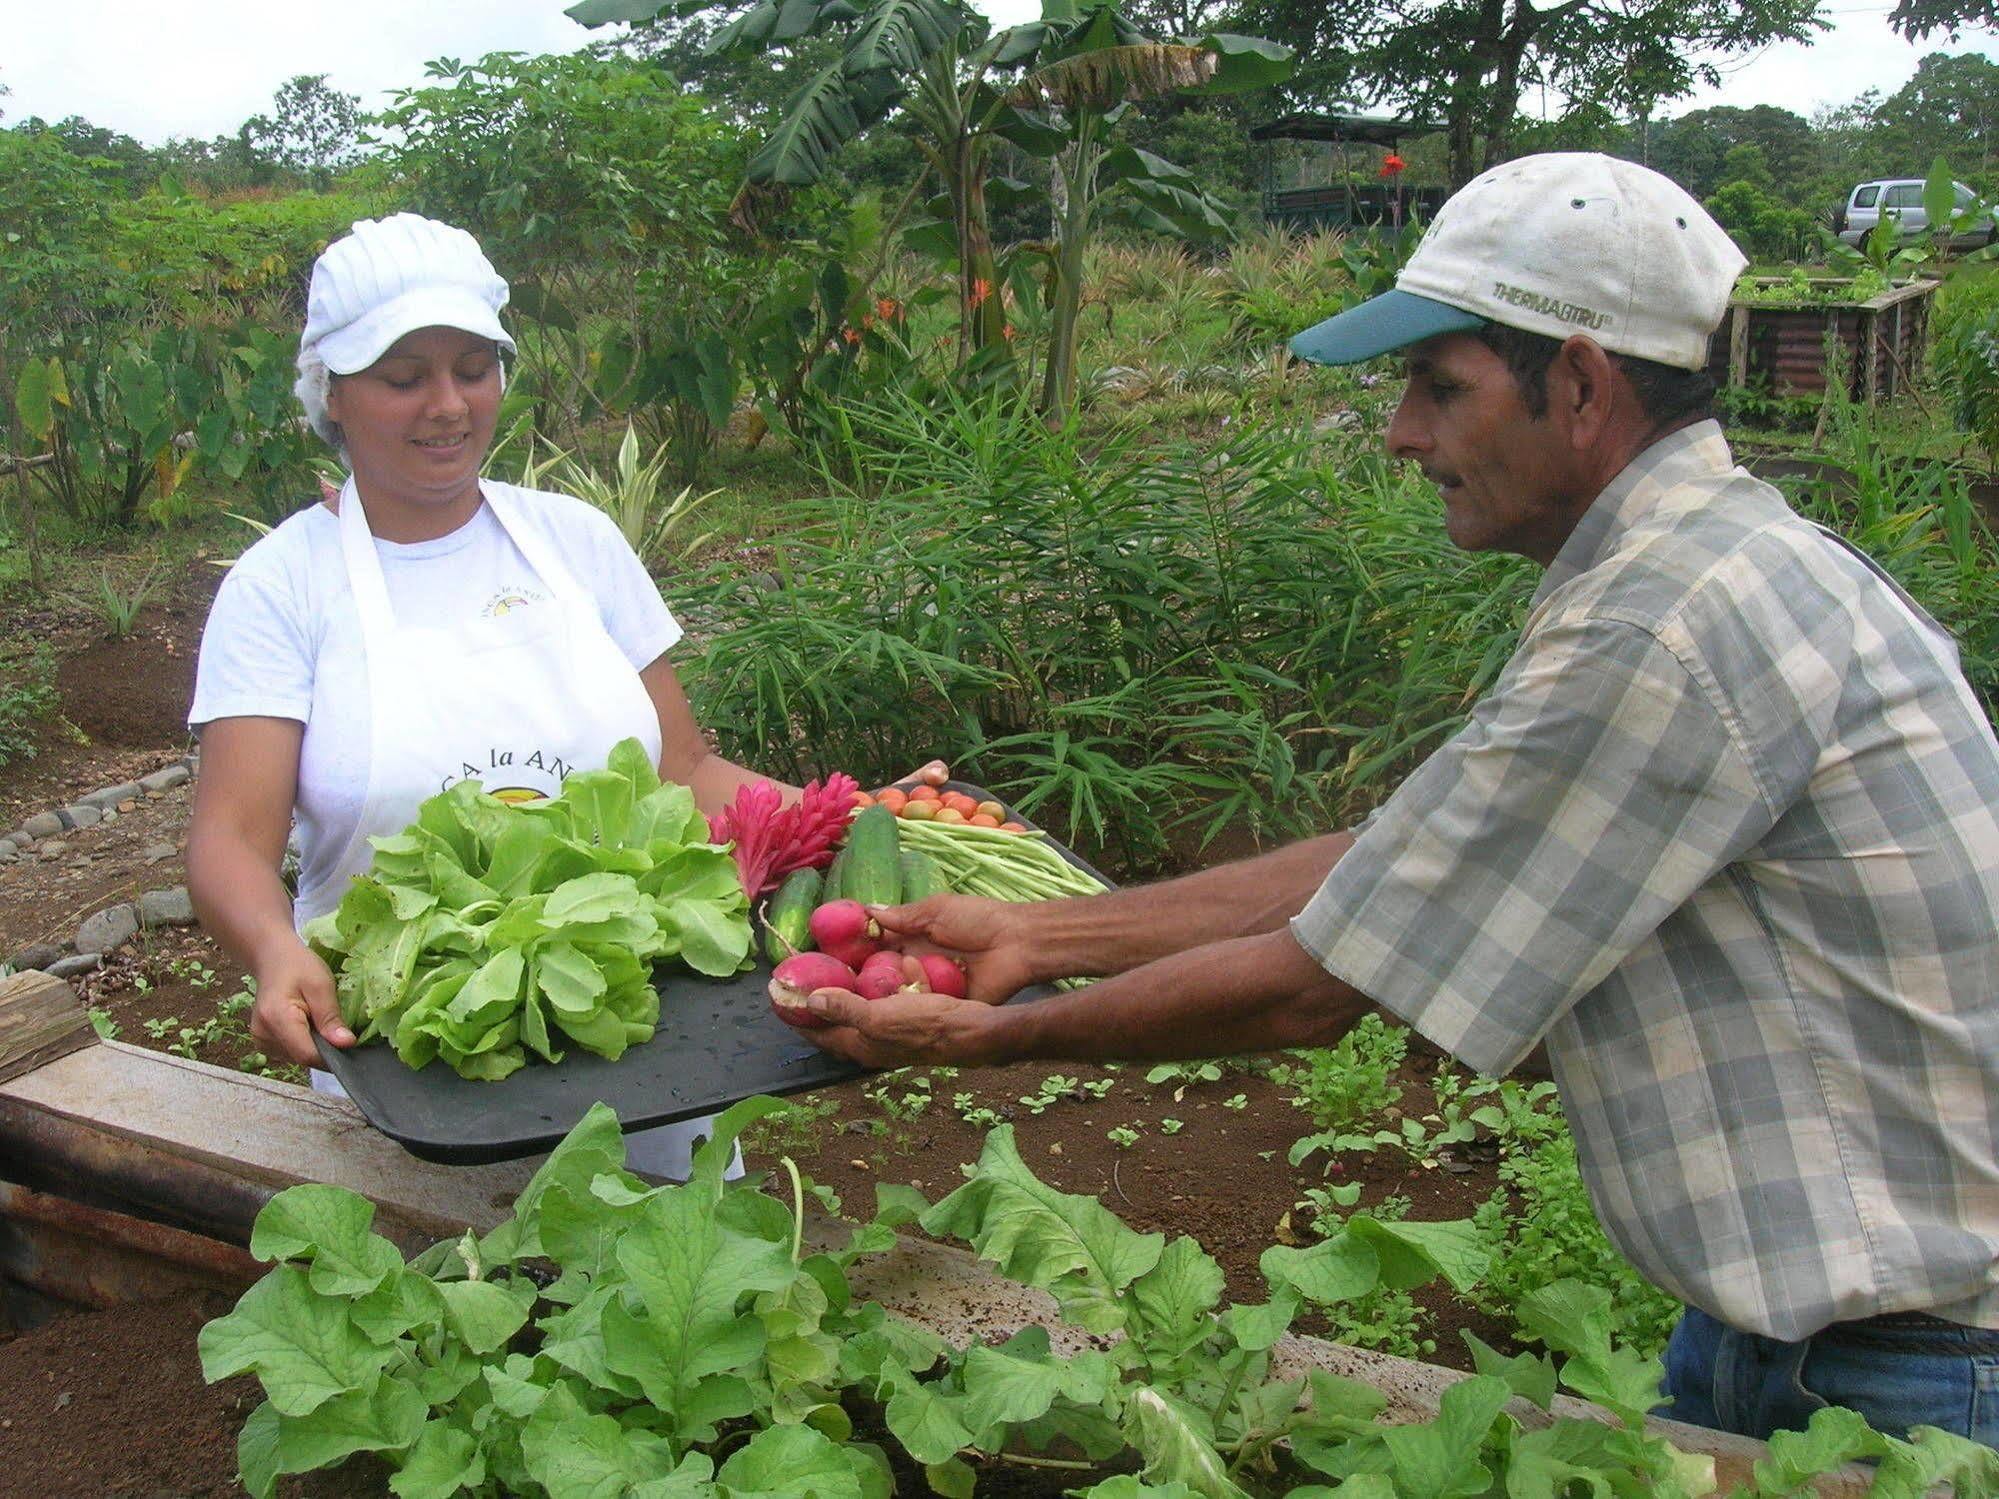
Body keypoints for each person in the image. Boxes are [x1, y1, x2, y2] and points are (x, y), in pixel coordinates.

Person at [791, 154, 1999, 1445]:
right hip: (1805, 1326)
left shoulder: (1663, 622)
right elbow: (1404, 855)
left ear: (1580, 383)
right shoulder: (1697, 562)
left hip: (1903, 1363)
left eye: (1438, 386)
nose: (1399, 433)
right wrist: (1041, 936)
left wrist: (1008, 1035)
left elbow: (1328, 981)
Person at [185, 212, 941, 1178]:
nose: (448, 404)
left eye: (473, 366)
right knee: (443, 1300)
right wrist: (271, 948)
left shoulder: (575, 540)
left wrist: (870, 820)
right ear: (332, 394)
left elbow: (684, 767)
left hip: (643, 1022)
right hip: (414, 1050)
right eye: (403, 377)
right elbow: (230, 841)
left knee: (672, 1297)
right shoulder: (280, 585)